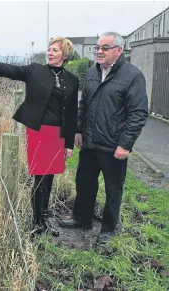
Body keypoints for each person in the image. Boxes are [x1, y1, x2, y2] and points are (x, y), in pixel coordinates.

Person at [0, 37, 79, 237]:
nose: (50, 53)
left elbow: (71, 114)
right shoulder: (35, 70)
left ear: (65, 55)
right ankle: (37, 223)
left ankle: (43, 218)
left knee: (49, 178)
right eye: (49, 49)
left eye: (55, 50)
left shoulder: (72, 80)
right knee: (40, 178)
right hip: (39, 131)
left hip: (57, 135)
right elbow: (9, 70)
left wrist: (69, 143)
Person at [58, 32, 149, 245]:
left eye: (105, 48)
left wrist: (125, 144)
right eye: (97, 48)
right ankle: (82, 219)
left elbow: (138, 113)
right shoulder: (92, 72)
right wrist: (79, 130)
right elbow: (84, 104)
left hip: (113, 146)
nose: (99, 51)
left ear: (119, 50)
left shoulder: (132, 75)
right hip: (89, 142)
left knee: (113, 189)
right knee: (85, 183)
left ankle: (108, 229)